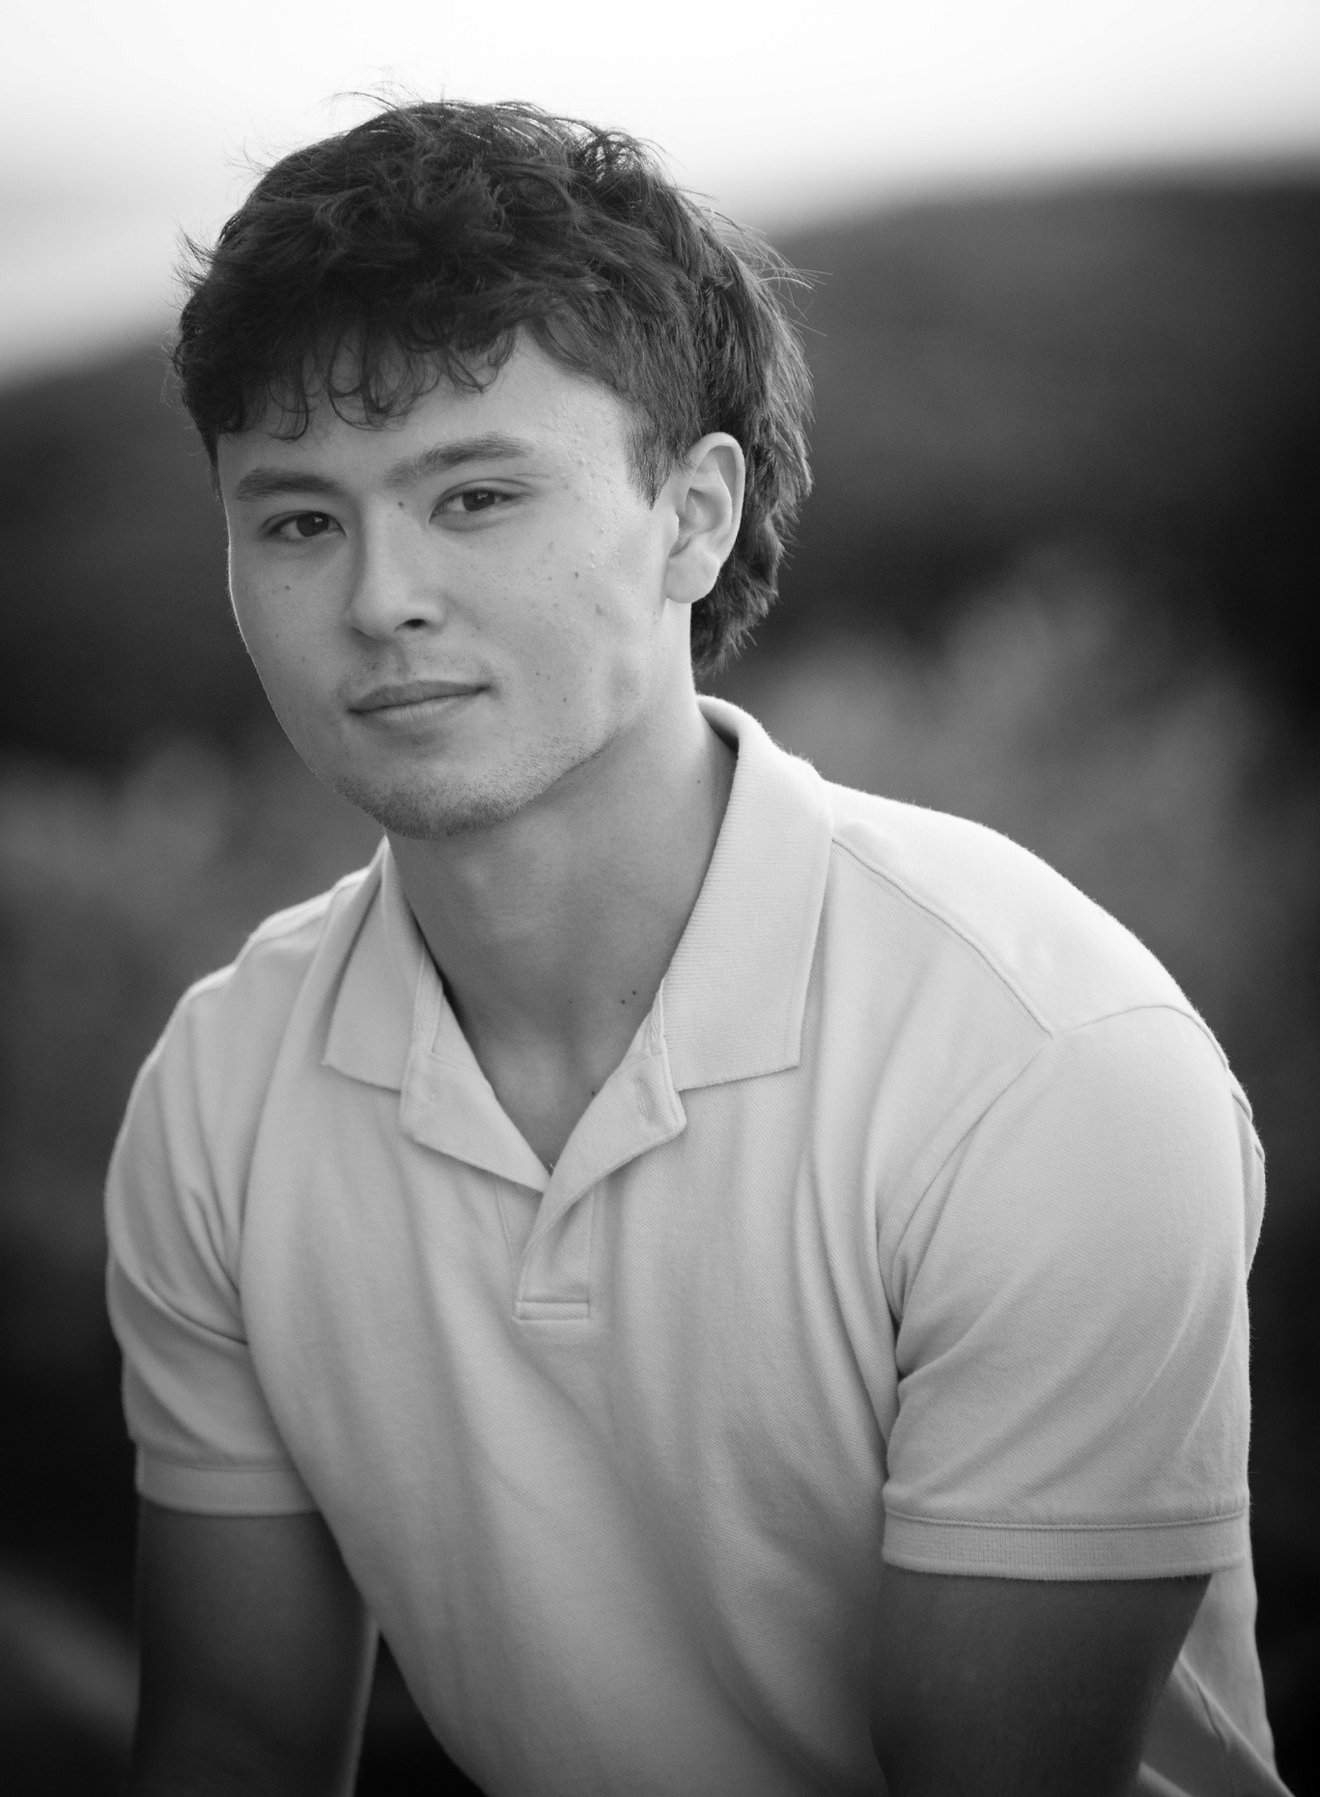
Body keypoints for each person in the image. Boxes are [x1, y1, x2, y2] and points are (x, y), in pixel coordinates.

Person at [105, 100, 1288, 1797]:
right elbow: (228, 1746)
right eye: (298, 520)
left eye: (477, 495)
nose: (378, 599)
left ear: (696, 515)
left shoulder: (1042, 1057)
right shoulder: (223, 1082)